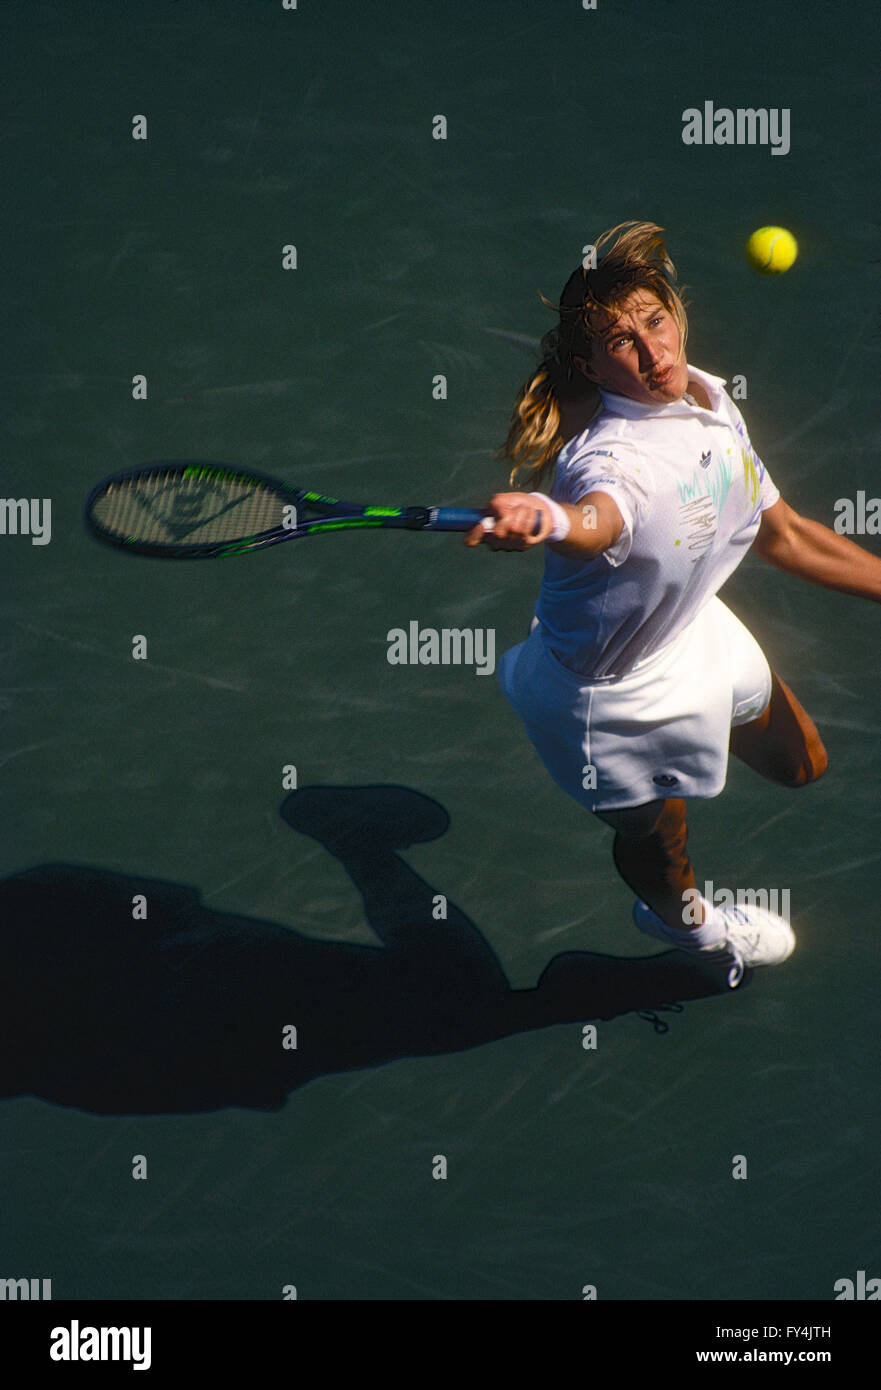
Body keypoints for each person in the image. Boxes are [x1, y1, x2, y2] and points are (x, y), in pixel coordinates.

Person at [466, 221, 879, 988]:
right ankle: (684, 925)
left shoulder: (708, 399)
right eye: (622, 342)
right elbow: (595, 520)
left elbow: (784, 536)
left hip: (691, 634)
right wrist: (546, 519)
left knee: (801, 767)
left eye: (654, 321)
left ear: (675, 311)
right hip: (607, 699)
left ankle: (680, 773)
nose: (653, 353)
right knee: (663, 841)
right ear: (590, 365)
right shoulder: (611, 460)